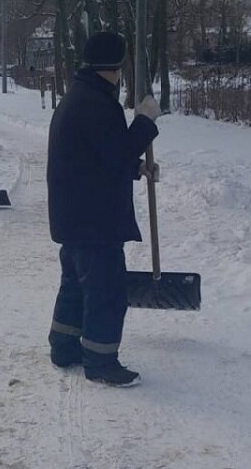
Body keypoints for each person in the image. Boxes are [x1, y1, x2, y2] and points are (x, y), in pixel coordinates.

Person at [47, 31, 162, 387]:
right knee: (106, 291)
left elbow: (95, 156)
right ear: (114, 65)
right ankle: (100, 361)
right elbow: (114, 153)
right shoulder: (96, 104)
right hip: (94, 219)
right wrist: (145, 122)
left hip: (76, 215)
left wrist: (136, 167)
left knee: (76, 286)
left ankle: (65, 348)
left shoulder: (80, 97)